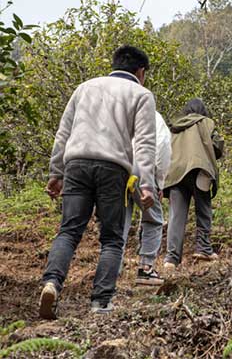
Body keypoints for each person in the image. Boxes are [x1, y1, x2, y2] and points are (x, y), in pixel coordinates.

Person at [40, 45, 156, 319]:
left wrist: (56, 173)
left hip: (77, 163)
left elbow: (63, 132)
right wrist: (147, 183)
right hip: (113, 168)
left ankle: (51, 283)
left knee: (69, 231)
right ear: (140, 72)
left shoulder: (85, 87)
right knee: (112, 239)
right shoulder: (141, 94)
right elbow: (145, 143)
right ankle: (101, 303)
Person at [163, 99, 224, 270]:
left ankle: (171, 258)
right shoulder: (207, 122)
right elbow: (217, 146)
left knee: (176, 216)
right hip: (199, 169)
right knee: (203, 210)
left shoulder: (175, 125)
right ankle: (203, 248)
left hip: (176, 172)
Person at [121, 110, 172, 285]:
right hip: (143, 170)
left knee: (121, 219)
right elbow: (163, 148)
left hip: (119, 168)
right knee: (153, 219)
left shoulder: (122, 113)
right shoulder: (155, 117)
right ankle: (146, 268)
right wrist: (159, 182)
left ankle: (113, 266)